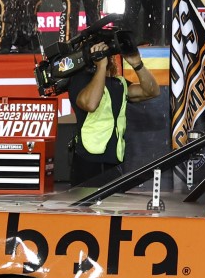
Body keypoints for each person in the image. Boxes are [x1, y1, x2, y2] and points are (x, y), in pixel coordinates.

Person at [67, 37, 160, 184]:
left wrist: (137, 64)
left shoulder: (119, 83)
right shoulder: (79, 79)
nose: (107, 57)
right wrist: (101, 66)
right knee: (84, 206)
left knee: (113, 206)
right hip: (87, 161)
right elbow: (91, 104)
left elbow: (152, 91)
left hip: (114, 160)